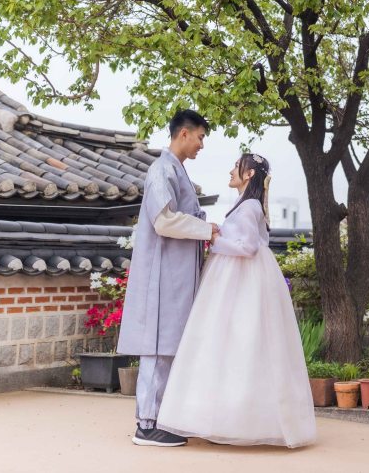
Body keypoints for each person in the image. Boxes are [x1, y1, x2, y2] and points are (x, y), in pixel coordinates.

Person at [156, 153, 317, 448]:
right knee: (233, 348)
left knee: (235, 345)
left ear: (249, 174)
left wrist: (214, 240)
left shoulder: (249, 207)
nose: (231, 171)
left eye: (236, 167)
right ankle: (228, 421)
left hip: (240, 280)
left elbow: (248, 247)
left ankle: (232, 423)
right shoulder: (247, 205)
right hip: (236, 278)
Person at [116, 110, 220, 447]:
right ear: (184, 133)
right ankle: (147, 425)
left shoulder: (177, 170)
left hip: (176, 272)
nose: (202, 144)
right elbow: (164, 220)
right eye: (200, 137)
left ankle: (161, 418)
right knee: (158, 347)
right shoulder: (161, 170)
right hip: (163, 273)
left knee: (170, 346)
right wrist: (205, 228)